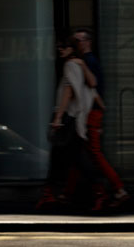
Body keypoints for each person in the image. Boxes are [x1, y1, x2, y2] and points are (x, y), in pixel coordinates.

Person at [39, 36, 102, 212]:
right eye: (59, 46)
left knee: (64, 158)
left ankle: (52, 194)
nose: (60, 49)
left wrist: (58, 118)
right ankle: (63, 194)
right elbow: (93, 83)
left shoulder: (70, 65)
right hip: (75, 119)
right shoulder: (79, 65)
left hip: (68, 119)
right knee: (76, 158)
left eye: (64, 46)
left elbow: (69, 91)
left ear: (72, 49)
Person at [71, 28, 129, 208]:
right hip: (92, 113)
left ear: (87, 42)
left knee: (92, 154)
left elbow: (93, 87)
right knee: (82, 155)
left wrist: (97, 111)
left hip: (90, 113)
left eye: (79, 41)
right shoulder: (87, 61)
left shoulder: (88, 61)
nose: (76, 45)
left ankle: (117, 189)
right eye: (75, 41)